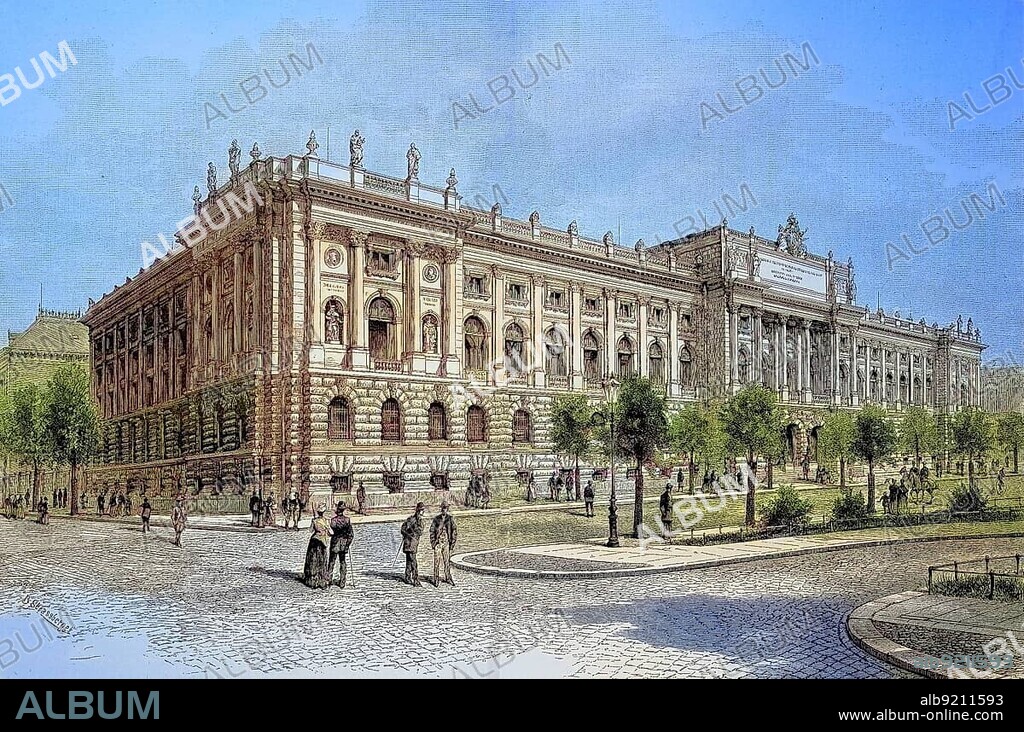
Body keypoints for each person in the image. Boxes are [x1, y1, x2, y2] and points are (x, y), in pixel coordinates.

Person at [302, 504, 333, 589]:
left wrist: (315, 523)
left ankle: (312, 580)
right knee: (321, 561)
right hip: (322, 542)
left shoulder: (314, 520)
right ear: (324, 512)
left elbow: (310, 530)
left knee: (313, 560)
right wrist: (326, 529)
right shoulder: (326, 521)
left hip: (314, 541)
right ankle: (321, 580)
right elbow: (331, 533)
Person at [429, 502, 458, 587]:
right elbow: (431, 531)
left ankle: (448, 578)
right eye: (443, 508)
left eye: (445, 508)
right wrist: (433, 543)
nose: (444, 509)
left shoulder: (450, 519)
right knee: (436, 562)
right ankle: (436, 579)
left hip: (446, 543)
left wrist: (452, 544)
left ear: (447, 509)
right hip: (438, 543)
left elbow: (454, 531)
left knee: (446, 562)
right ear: (441, 509)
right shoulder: (436, 519)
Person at [327, 502, 354, 588]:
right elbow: (351, 534)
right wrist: (347, 545)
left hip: (335, 543)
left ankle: (329, 580)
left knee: (331, 562)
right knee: (342, 561)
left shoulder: (333, 521)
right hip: (343, 544)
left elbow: (331, 533)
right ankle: (342, 582)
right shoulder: (347, 520)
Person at [401, 503, 425, 587]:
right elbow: (402, 529)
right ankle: (416, 580)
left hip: (411, 544)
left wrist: (410, 530)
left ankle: (407, 578)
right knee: (413, 562)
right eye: (422, 510)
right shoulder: (413, 520)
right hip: (410, 544)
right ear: (419, 510)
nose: (423, 512)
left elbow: (420, 531)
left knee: (409, 561)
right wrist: (408, 531)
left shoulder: (415, 520)